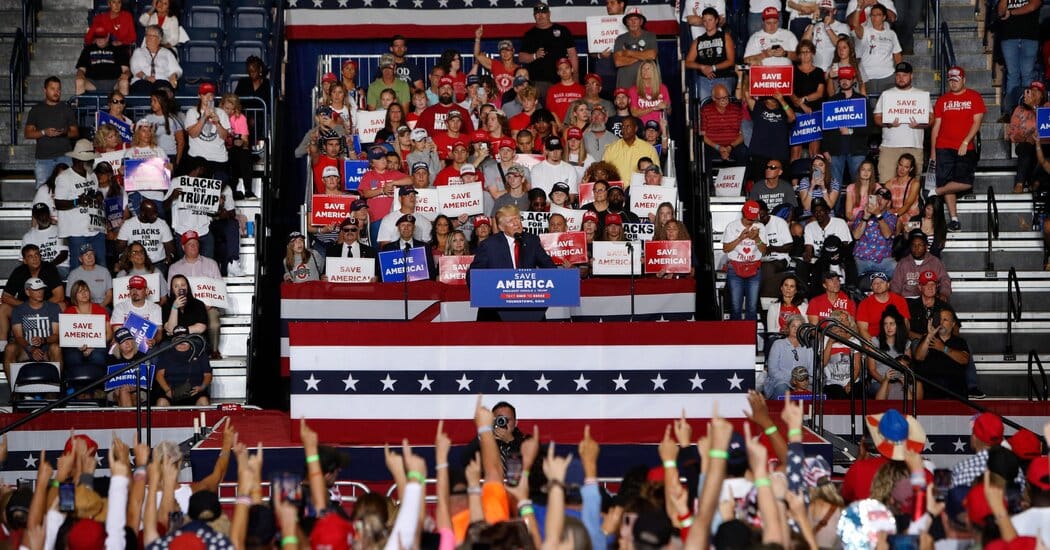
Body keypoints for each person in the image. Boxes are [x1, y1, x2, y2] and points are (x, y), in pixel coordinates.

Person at [469, 204, 558, 320]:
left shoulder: (531, 241)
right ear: (501, 227)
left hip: (529, 309)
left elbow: (550, 268)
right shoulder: (488, 245)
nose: (516, 223)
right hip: (495, 312)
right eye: (511, 221)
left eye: (518, 219)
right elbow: (473, 276)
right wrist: (484, 294)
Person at [931, 66, 985, 232]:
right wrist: (933, 151)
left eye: (956, 80)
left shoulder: (974, 97)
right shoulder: (942, 100)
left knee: (965, 182)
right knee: (948, 182)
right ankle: (954, 219)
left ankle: (935, 191)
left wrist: (965, 141)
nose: (953, 84)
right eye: (951, 81)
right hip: (943, 146)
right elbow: (936, 127)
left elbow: (977, 122)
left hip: (965, 146)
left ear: (964, 80)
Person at [167, 231, 224, 358]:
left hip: (208, 306)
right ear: (183, 247)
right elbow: (170, 291)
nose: (193, 246)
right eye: (189, 244)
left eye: (196, 244)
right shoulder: (174, 268)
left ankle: (214, 350)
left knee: (214, 322)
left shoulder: (211, 264)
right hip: (184, 307)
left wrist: (210, 304)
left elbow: (219, 289)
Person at [53, 140, 106, 270]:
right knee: (78, 268)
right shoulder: (64, 177)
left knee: (101, 266)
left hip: (95, 229)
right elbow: (58, 203)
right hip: (77, 232)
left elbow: (95, 193)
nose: (92, 162)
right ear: (79, 160)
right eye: (90, 160)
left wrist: (99, 196)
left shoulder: (92, 175)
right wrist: (77, 201)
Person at [874, 62, 928, 185]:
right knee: (886, 184)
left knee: (912, 185)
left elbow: (930, 119)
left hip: (914, 146)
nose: (901, 78)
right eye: (898, 75)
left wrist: (918, 125)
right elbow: (877, 117)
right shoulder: (886, 94)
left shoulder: (921, 95)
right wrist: (888, 123)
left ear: (911, 76)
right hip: (889, 147)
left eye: (904, 75)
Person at [3, 278, 62, 384]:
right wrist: (31, 349)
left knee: (56, 348)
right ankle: (14, 391)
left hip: (47, 347)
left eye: (42, 289)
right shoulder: (18, 310)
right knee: (10, 348)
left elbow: (56, 335)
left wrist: (43, 340)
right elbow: (18, 337)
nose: (40, 292)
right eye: (36, 290)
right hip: (26, 349)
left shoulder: (54, 307)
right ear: (27, 291)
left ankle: (54, 390)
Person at [822, 66, 871, 187]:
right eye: (842, 79)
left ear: (854, 80)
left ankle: (859, 207)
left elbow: (869, 127)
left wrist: (850, 130)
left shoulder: (862, 100)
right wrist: (825, 149)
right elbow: (825, 129)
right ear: (838, 80)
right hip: (835, 149)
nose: (844, 81)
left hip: (857, 149)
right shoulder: (831, 101)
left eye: (848, 79)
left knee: (859, 185)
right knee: (834, 185)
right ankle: (834, 207)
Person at [24, 77, 78, 188]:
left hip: (65, 157)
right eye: (52, 88)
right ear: (45, 90)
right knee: (42, 191)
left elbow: (75, 132)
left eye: (58, 89)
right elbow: (28, 133)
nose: (56, 92)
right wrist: (44, 132)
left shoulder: (66, 109)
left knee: (69, 189)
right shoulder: (36, 110)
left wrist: (64, 132)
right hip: (44, 159)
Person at [519, 2, 577, 98]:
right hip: (537, 83)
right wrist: (534, 56)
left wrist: (575, 77)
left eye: (543, 12)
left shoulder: (562, 31)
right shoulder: (529, 35)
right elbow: (521, 57)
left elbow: (573, 55)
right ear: (534, 16)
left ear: (549, 14)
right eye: (537, 13)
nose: (540, 16)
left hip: (562, 81)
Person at [62, 279, 111, 394]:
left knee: (98, 357)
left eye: (86, 290)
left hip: (97, 346)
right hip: (75, 347)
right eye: (80, 292)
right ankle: (78, 392)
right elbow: (65, 336)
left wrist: (93, 346)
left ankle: (97, 390)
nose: (84, 294)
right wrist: (77, 346)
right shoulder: (69, 312)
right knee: (73, 357)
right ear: (74, 295)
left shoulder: (100, 310)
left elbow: (109, 334)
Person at [722, 200, 768, 320]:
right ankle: (735, 337)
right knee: (735, 306)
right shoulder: (732, 226)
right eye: (748, 218)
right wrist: (740, 238)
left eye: (753, 219)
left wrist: (756, 238)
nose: (750, 221)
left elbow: (764, 251)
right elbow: (725, 248)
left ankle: (750, 337)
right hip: (735, 268)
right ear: (743, 213)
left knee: (752, 307)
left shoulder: (760, 227)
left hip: (754, 268)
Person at [996, 0, 1041, 121]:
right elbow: (1000, 12)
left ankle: (1029, 109)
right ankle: (1011, 111)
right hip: (1009, 37)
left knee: (1027, 74)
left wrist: (1011, 12)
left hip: (1029, 37)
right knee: (1012, 75)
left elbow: (1032, 6)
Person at [914, 305, 970, 399]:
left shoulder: (959, 341)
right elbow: (919, 357)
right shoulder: (928, 339)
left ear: (952, 324)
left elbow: (964, 359)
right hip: (931, 392)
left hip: (955, 392)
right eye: (939, 319)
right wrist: (929, 336)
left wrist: (943, 348)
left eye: (945, 320)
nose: (941, 322)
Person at [460, 401, 531, 471]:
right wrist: (483, 432)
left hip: (517, 482)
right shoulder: (484, 441)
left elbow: (529, 466)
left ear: (516, 423)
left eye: (507, 419)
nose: (503, 422)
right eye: (499, 419)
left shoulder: (526, 442)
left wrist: (511, 441)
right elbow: (464, 461)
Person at [182, 82, 231, 183]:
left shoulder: (221, 113)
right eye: (205, 94)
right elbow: (193, 134)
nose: (208, 98)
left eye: (211, 95)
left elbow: (224, 136)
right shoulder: (192, 112)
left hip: (218, 158)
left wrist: (217, 123)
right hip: (197, 157)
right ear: (199, 96)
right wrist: (204, 117)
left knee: (221, 181)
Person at [685, 8, 737, 103]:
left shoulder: (725, 37)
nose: (707, 23)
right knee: (706, 108)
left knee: (723, 108)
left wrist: (713, 68)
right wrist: (702, 67)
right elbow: (688, 62)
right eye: (705, 20)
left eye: (710, 20)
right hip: (704, 79)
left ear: (716, 20)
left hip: (723, 77)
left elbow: (731, 61)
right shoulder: (698, 40)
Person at [741, 91, 795, 182]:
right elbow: (746, 94)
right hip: (759, 154)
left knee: (781, 185)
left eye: (774, 100)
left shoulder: (784, 109)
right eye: (770, 100)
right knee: (760, 184)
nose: (772, 101)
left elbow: (792, 117)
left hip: (780, 154)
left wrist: (781, 100)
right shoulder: (758, 106)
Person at [851, 3, 901, 99]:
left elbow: (897, 56)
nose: (874, 18)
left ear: (884, 17)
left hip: (888, 76)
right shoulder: (866, 31)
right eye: (872, 15)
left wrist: (899, 74)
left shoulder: (891, 34)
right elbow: (855, 25)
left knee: (887, 107)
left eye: (877, 15)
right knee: (870, 107)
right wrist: (858, 8)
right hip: (868, 77)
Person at [867, 306, 918, 400]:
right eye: (885, 324)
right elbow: (872, 370)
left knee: (916, 387)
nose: (888, 327)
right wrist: (885, 382)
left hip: (901, 380)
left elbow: (908, 368)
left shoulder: (906, 343)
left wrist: (902, 381)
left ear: (898, 325)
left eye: (892, 324)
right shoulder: (875, 342)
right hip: (880, 381)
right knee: (889, 390)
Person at [153, 325, 212, 406]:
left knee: (203, 401)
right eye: (178, 338)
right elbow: (159, 375)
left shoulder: (200, 353)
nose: (182, 341)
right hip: (171, 391)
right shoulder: (166, 354)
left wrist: (202, 387)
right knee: (161, 402)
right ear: (174, 340)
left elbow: (208, 374)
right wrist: (167, 390)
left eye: (184, 338)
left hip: (194, 391)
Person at [850, 187, 897, 279]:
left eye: (883, 198)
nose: (879, 199)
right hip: (861, 258)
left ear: (888, 203)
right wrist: (865, 218)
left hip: (883, 260)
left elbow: (887, 234)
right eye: (877, 197)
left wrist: (878, 215)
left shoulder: (891, 217)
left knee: (897, 268)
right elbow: (856, 236)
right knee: (850, 270)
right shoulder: (861, 214)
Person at [890, 229, 952, 299]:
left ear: (926, 247)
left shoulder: (934, 262)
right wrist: (897, 300)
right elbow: (895, 285)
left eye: (920, 245)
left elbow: (944, 279)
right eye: (914, 245)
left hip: (928, 300)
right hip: (907, 300)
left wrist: (944, 293)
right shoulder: (903, 263)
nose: (917, 248)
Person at [1007, 81, 1046, 193]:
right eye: (1032, 90)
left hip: (1045, 145)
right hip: (1026, 145)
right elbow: (1012, 134)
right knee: (1026, 148)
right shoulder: (1019, 110)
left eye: (1037, 91)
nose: (1034, 92)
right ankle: (1020, 183)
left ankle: (1036, 182)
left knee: (1043, 152)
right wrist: (1025, 137)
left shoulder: (1047, 106)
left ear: (1042, 95)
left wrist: (1033, 107)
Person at [117, 199, 174, 273]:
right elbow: (120, 247)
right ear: (143, 213)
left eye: (156, 212)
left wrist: (169, 258)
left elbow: (170, 246)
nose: (156, 215)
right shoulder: (128, 224)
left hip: (157, 263)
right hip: (135, 263)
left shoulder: (162, 223)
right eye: (152, 214)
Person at [764, 314, 814, 398]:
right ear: (788, 328)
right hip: (781, 382)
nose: (796, 329)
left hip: (803, 383)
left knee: (813, 392)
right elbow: (772, 371)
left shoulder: (808, 347)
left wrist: (802, 381)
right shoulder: (778, 344)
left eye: (799, 326)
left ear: (803, 329)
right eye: (793, 326)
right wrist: (792, 381)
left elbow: (812, 371)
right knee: (782, 389)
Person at [602, 117, 658, 189]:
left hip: (640, 192)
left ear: (635, 128)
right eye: (623, 127)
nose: (624, 129)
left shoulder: (649, 149)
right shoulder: (611, 149)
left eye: (628, 126)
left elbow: (656, 174)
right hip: (617, 193)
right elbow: (603, 173)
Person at [855, 271, 910, 341]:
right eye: (875, 283)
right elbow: (862, 330)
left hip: (897, 339)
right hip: (873, 341)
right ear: (871, 287)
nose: (878, 285)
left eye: (882, 282)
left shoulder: (900, 300)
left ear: (888, 284)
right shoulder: (864, 304)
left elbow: (905, 324)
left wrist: (900, 342)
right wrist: (874, 346)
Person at [75, 27, 130, 96]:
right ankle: (79, 105)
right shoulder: (88, 49)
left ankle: (121, 105)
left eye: (102, 37)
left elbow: (126, 70)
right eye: (98, 37)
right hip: (92, 83)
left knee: (124, 82)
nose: (100, 39)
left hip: (114, 82)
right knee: (79, 81)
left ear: (108, 36)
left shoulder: (118, 48)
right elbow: (81, 69)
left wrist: (126, 74)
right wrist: (80, 74)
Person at [128, 26, 181, 95]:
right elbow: (135, 68)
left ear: (159, 39)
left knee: (163, 91)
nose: (148, 38)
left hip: (162, 81)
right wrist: (146, 77)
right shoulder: (138, 51)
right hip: (142, 80)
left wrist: (173, 76)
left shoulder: (167, 53)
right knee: (143, 88)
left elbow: (177, 69)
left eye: (152, 36)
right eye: (147, 35)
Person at [23, 202, 69, 280]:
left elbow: (64, 254)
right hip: (38, 269)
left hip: (60, 267)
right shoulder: (28, 236)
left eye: (44, 214)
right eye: (39, 215)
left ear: (49, 214)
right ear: (35, 217)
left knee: (46, 275)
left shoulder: (61, 231)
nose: (43, 217)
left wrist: (47, 267)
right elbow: (24, 260)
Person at [613, 8, 658, 90]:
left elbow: (652, 55)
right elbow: (618, 62)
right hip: (625, 83)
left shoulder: (650, 36)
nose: (633, 22)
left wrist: (629, 53)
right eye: (630, 19)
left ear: (641, 22)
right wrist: (643, 56)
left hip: (646, 82)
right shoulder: (620, 38)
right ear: (626, 22)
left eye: (636, 19)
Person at [821, 309, 861, 398]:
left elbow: (857, 367)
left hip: (853, 381)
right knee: (839, 394)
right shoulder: (826, 339)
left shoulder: (854, 340)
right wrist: (830, 342)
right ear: (833, 322)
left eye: (846, 319)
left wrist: (850, 384)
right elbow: (822, 363)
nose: (845, 322)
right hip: (832, 383)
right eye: (841, 320)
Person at [161, 275, 208, 340]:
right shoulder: (166, 305)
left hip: (193, 339)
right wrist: (174, 307)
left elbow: (201, 328)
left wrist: (179, 331)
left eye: (183, 285)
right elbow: (170, 329)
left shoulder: (198, 304)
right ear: (172, 289)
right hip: (173, 341)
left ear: (187, 287)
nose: (180, 288)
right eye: (176, 286)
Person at [65, 243, 112, 307]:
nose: (90, 257)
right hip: (81, 307)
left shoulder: (104, 271)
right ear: (80, 259)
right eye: (86, 254)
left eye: (91, 254)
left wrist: (99, 308)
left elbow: (109, 295)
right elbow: (70, 297)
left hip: (101, 305)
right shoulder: (73, 274)